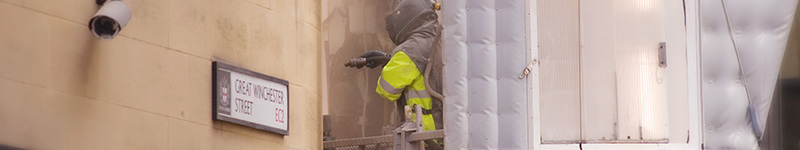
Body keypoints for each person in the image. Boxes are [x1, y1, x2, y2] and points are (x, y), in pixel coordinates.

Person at [346, 0, 443, 148]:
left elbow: (386, 89)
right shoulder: (442, 42)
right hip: (444, 132)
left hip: (423, 137)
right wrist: (388, 59)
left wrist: (392, 61)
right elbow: (422, 67)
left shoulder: (409, 49)